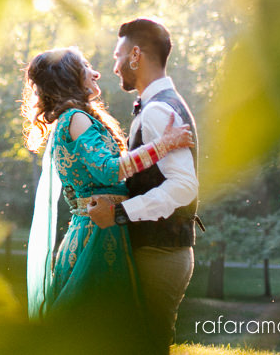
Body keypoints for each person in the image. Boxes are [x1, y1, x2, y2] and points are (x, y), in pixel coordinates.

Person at [23, 47, 192, 348]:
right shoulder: (76, 119)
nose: (96, 72)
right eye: (86, 66)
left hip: (92, 229)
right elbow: (110, 171)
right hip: (99, 236)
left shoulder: (71, 119)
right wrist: (164, 145)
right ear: (69, 78)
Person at [86, 18, 200, 354]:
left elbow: (184, 186)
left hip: (160, 253)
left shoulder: (158, 110)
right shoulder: (157, 104)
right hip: (159, 251)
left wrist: (121, 213)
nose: (114, 65)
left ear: (136, 55)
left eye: (117, 55)